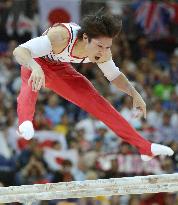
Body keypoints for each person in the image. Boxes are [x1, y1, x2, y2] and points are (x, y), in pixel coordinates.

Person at [13, 10, 174, 161]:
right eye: (99, 46)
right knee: (32, 78)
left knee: (99, 103)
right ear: (85, 38)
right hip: (35, 60)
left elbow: (115, 77)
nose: (103, 51)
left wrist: (134, 94)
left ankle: (145, 148)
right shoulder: (61, 36)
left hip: (60, 69)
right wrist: (34, 67)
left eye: (107, 47)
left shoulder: (103, 52)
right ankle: (24, 121)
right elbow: (19, 52)